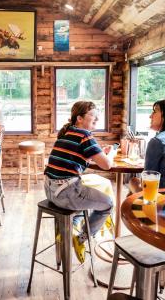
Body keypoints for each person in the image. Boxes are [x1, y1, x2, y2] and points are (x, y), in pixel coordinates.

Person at [44, 101, 115, 264]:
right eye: (93, 115)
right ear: (80, 118)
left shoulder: (66, 133)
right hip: (66, 195)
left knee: (90, 187)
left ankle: (71, 228)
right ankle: (81, 238)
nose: (97, 118)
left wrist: (96, 153)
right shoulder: (85, 136)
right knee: (108, 204)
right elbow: (107, 165)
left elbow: (73, 158)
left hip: (50, 191)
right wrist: (110, 154)